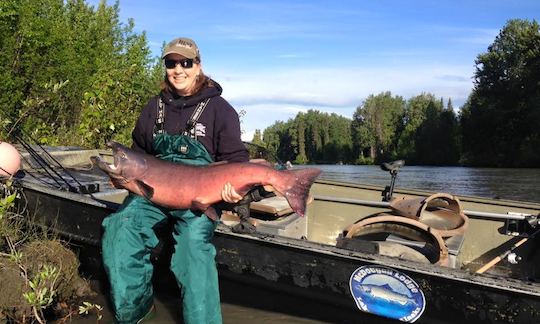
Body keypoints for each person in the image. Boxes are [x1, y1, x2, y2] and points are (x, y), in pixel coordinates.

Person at [101, 37, 248, 324]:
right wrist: (121, 180)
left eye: (186, 63)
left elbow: (237, 162)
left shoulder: (221, 110)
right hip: (152, 195)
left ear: (198, 66)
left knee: (194, 248)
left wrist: (234, 193)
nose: (178, 69)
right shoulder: (152, 108)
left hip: (198, 200)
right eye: (171, 63)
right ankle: (136, 313)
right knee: (120, 228)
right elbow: (138, 154)